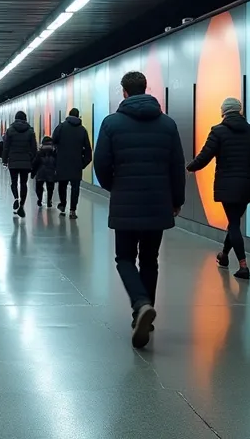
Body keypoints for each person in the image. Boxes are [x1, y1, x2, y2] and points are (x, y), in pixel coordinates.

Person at [93, 71, 185, 349]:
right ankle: (144, 315)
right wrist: (176, 200)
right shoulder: (167, 124)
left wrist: (114, 186)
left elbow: (100, 163)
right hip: (158, 202)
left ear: (124, 92)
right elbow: (176, 167)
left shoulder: (111, 124)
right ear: (146, 89)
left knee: (124, 258)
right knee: (149, 259)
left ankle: (141, 304)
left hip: (126, 200)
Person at [187, 97, 250, 280]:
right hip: (246, 185)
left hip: (227, 184)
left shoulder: (218, 131)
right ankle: (224, 256)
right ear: (239, 111)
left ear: (223, 111)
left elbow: (205, 155)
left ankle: (243, 265)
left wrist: (190, 167)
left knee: (233, 224)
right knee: (234, 223)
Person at [52, 107, 93, 219]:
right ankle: (73, 210)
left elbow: (53, 140)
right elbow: (88, 150)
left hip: (62, 162)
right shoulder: (82, 130)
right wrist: (82, 163)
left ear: (69, 115)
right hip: (76, 164)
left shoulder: (61, 127)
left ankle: (63, 204)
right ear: (78, 116)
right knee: (75, 188)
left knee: (62, 185)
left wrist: (56, 158)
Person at [1, 111, 38, 216]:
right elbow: (34, 148)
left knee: (13, 182)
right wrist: (32, 159)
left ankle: (16, 198)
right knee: (23, 183)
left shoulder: (10, 130)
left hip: (13, 160)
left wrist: (4, 160)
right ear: (25, 119)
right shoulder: (30, 131)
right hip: (26, 161)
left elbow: (6, 147)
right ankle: (22, 205)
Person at [33, 135, 58, 207]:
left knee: (39, 187)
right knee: (50, 188)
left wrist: (33, 173)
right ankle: (49, 200)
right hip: (51, 172)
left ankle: (39, 199)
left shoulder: (39, 152)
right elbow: (57, 163)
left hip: (40, 173)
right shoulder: (54, 153)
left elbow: (35, 163)